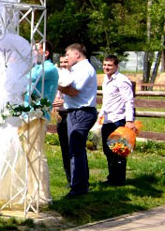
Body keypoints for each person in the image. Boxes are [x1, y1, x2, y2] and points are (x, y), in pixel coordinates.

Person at [55, 43, 98, 198]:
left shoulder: (84, 69)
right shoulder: (77, 69)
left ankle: (79, 187)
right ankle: (81, 183)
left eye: (68, 55)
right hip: (75, 112)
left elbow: (73, 91)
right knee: (75, 149)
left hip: (82, 112)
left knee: (75, 150)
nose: (66, 58)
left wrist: (56, 85)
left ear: (77, 54)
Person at [99, 55, 135, 187]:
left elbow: (129, 101)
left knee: (119, 151)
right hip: (107, 120)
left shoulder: (122, 80)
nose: (106, 67)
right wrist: (101, 114)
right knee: (107, 150)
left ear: (116, 66)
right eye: (104, 65)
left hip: (118, 120)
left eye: (109, 65)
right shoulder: (106, 79)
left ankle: (119, 180)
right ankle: (112, 177)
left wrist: (129, 120)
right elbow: (106, 100)